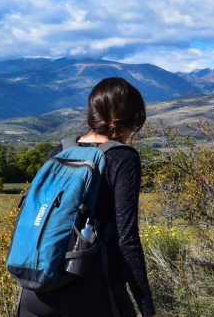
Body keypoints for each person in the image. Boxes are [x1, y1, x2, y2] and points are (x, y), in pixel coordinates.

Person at [18, 77, 157, 317]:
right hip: (91, 288)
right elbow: (127, 239)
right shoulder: (123, 158)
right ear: (131, 117)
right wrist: (147, 307)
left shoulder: (61, 151)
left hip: (36, 288)